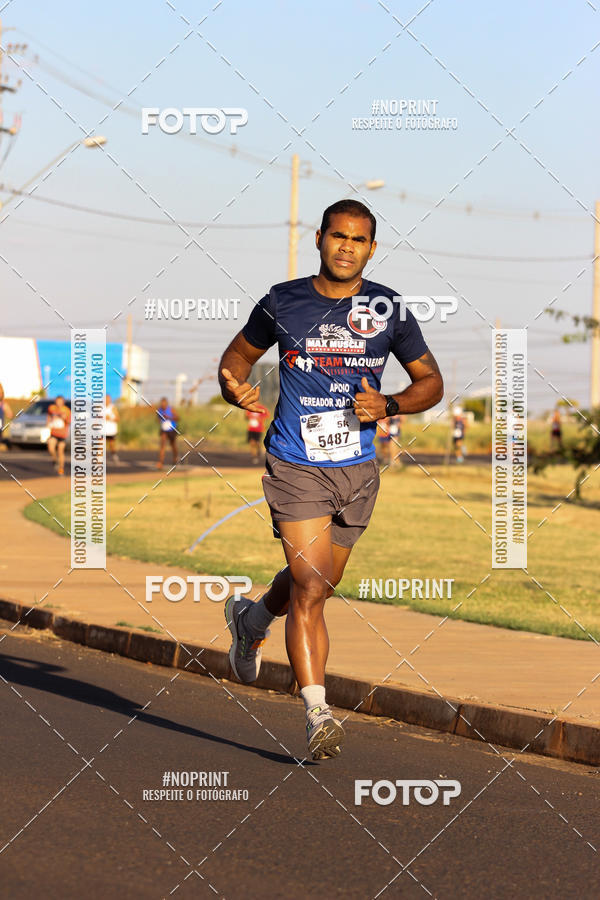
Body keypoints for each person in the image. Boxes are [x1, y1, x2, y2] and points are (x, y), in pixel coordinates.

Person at [219, 199, 443, 760]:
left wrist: (390, 402)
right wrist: (233, 388)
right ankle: (319, 712)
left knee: (314, 582)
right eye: (338, 236)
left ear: (372, 248)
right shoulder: (283, 301)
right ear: (319, 238)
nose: (347, 246)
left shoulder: (386, 308)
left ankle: (250, 618)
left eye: (359, 239)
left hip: (359, 469)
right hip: (295, 461)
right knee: (312, 586)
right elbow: (236, 361)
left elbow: (431, 383)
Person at [46, 395, 71, 475]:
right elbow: (49, 416)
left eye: (60, 401)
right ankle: (55, 460)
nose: (58, 403)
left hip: (62, 433)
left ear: (63, 402)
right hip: (53, 432)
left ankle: (61, 469)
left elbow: (69, 421)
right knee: (51, 448)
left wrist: (64, 418)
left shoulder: (66, 410)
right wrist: (48, 423)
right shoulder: (52, 408)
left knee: (60, 450)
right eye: (57, 401)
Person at [156, 397, 178, 469]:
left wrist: (169, 417)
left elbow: (178, 418)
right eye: (162, 404)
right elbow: (157, 419)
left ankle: (175, 459)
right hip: (164, 430)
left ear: (167, 404)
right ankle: (161, 462)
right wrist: (160, 419)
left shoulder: (171, 409)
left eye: (164, 404)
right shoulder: (159, 410)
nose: (163, 405)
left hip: (172, 429)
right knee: (162, 445)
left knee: (173, 445)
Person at [104, 394, 120, 463]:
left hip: (111, 430)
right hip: (102, 430)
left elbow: (118, 418)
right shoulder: (99, 408)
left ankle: (114, 455)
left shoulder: (113, 408)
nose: (107, 400)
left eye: (108, 399)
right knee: (100, 444)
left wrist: (110, 418)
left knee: (111, 444)